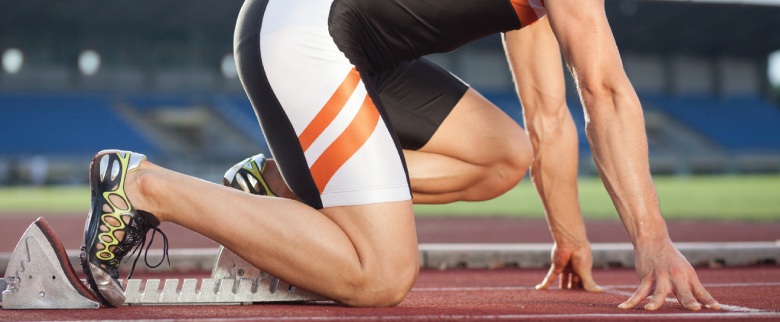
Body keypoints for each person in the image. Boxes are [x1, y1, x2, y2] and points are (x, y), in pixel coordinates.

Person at [80, 0, 720, 311]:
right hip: (307, 35)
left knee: (503, 155)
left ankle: (277, 185)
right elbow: (603, 89)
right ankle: (144, 186)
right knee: (380, 274)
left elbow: (547, 116)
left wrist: (571, 238)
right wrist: (652, 238)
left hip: (352, 49)